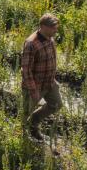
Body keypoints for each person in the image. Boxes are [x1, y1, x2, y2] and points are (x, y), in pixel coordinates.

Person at [20, 13, 61, 141]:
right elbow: (26, 70)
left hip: (49, 83)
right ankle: (23, 139)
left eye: (56, 27)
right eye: (53, 28)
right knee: (25, 113)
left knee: (56, 104)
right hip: (35, 86)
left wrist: (53, 79)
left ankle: (33, 122)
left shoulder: (50, 39)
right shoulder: (31, 43)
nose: (56, 30)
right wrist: (33, 91)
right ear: (43, 26)